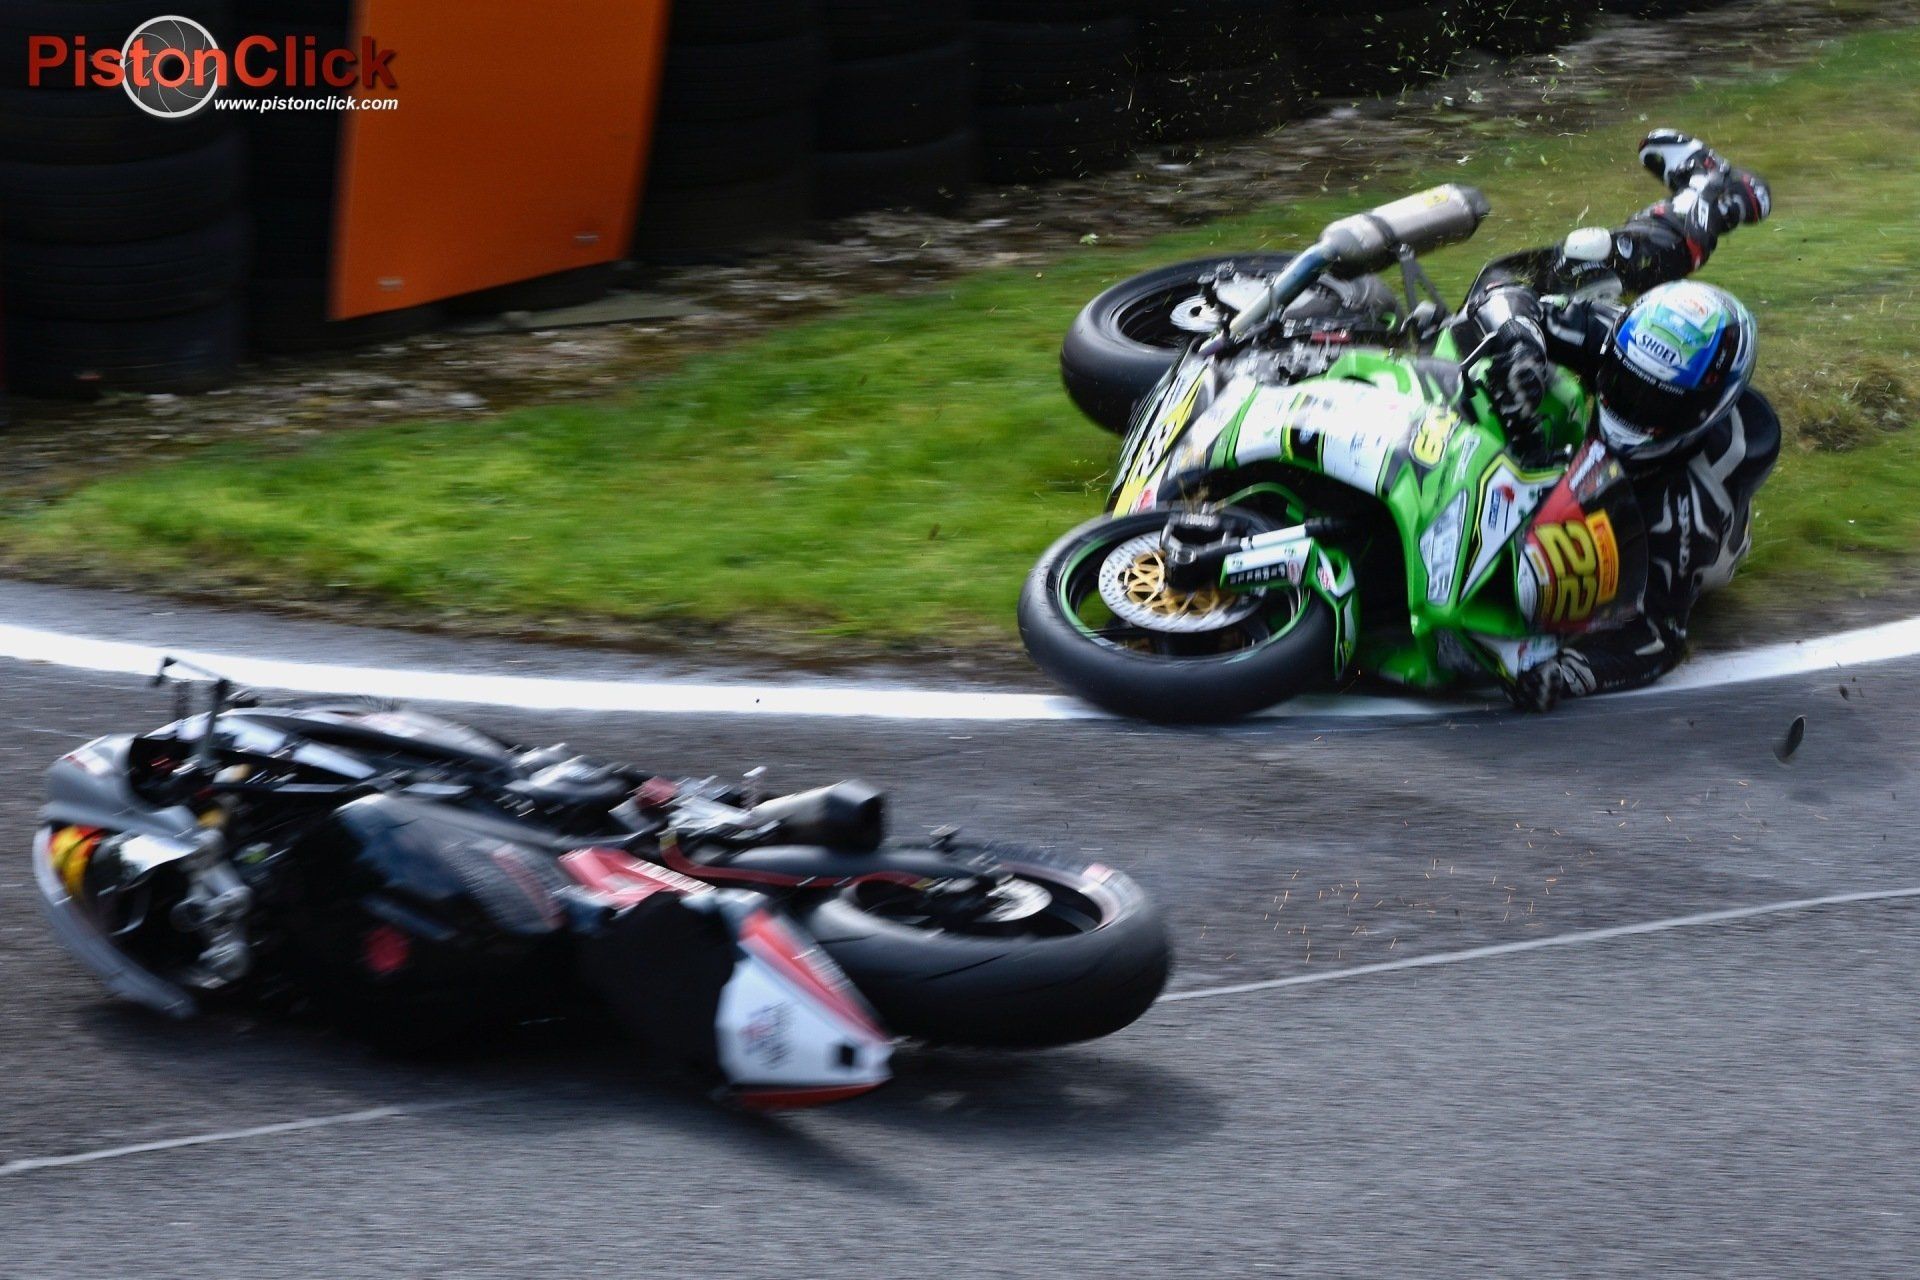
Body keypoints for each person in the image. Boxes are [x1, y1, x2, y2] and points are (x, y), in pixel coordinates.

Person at [1470, 129, 1779, 711]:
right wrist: (1521, 342)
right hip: (1639, 352)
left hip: (1670, 534)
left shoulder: (1688, 514)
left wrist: (1570, 673)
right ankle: (1711, 194)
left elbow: (1658, 640)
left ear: (1699, 416)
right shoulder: (1615, 340)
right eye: (1624, 385)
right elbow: (1503, 283)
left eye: (1654, 404)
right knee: (1586, 264)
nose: (1629, 408)